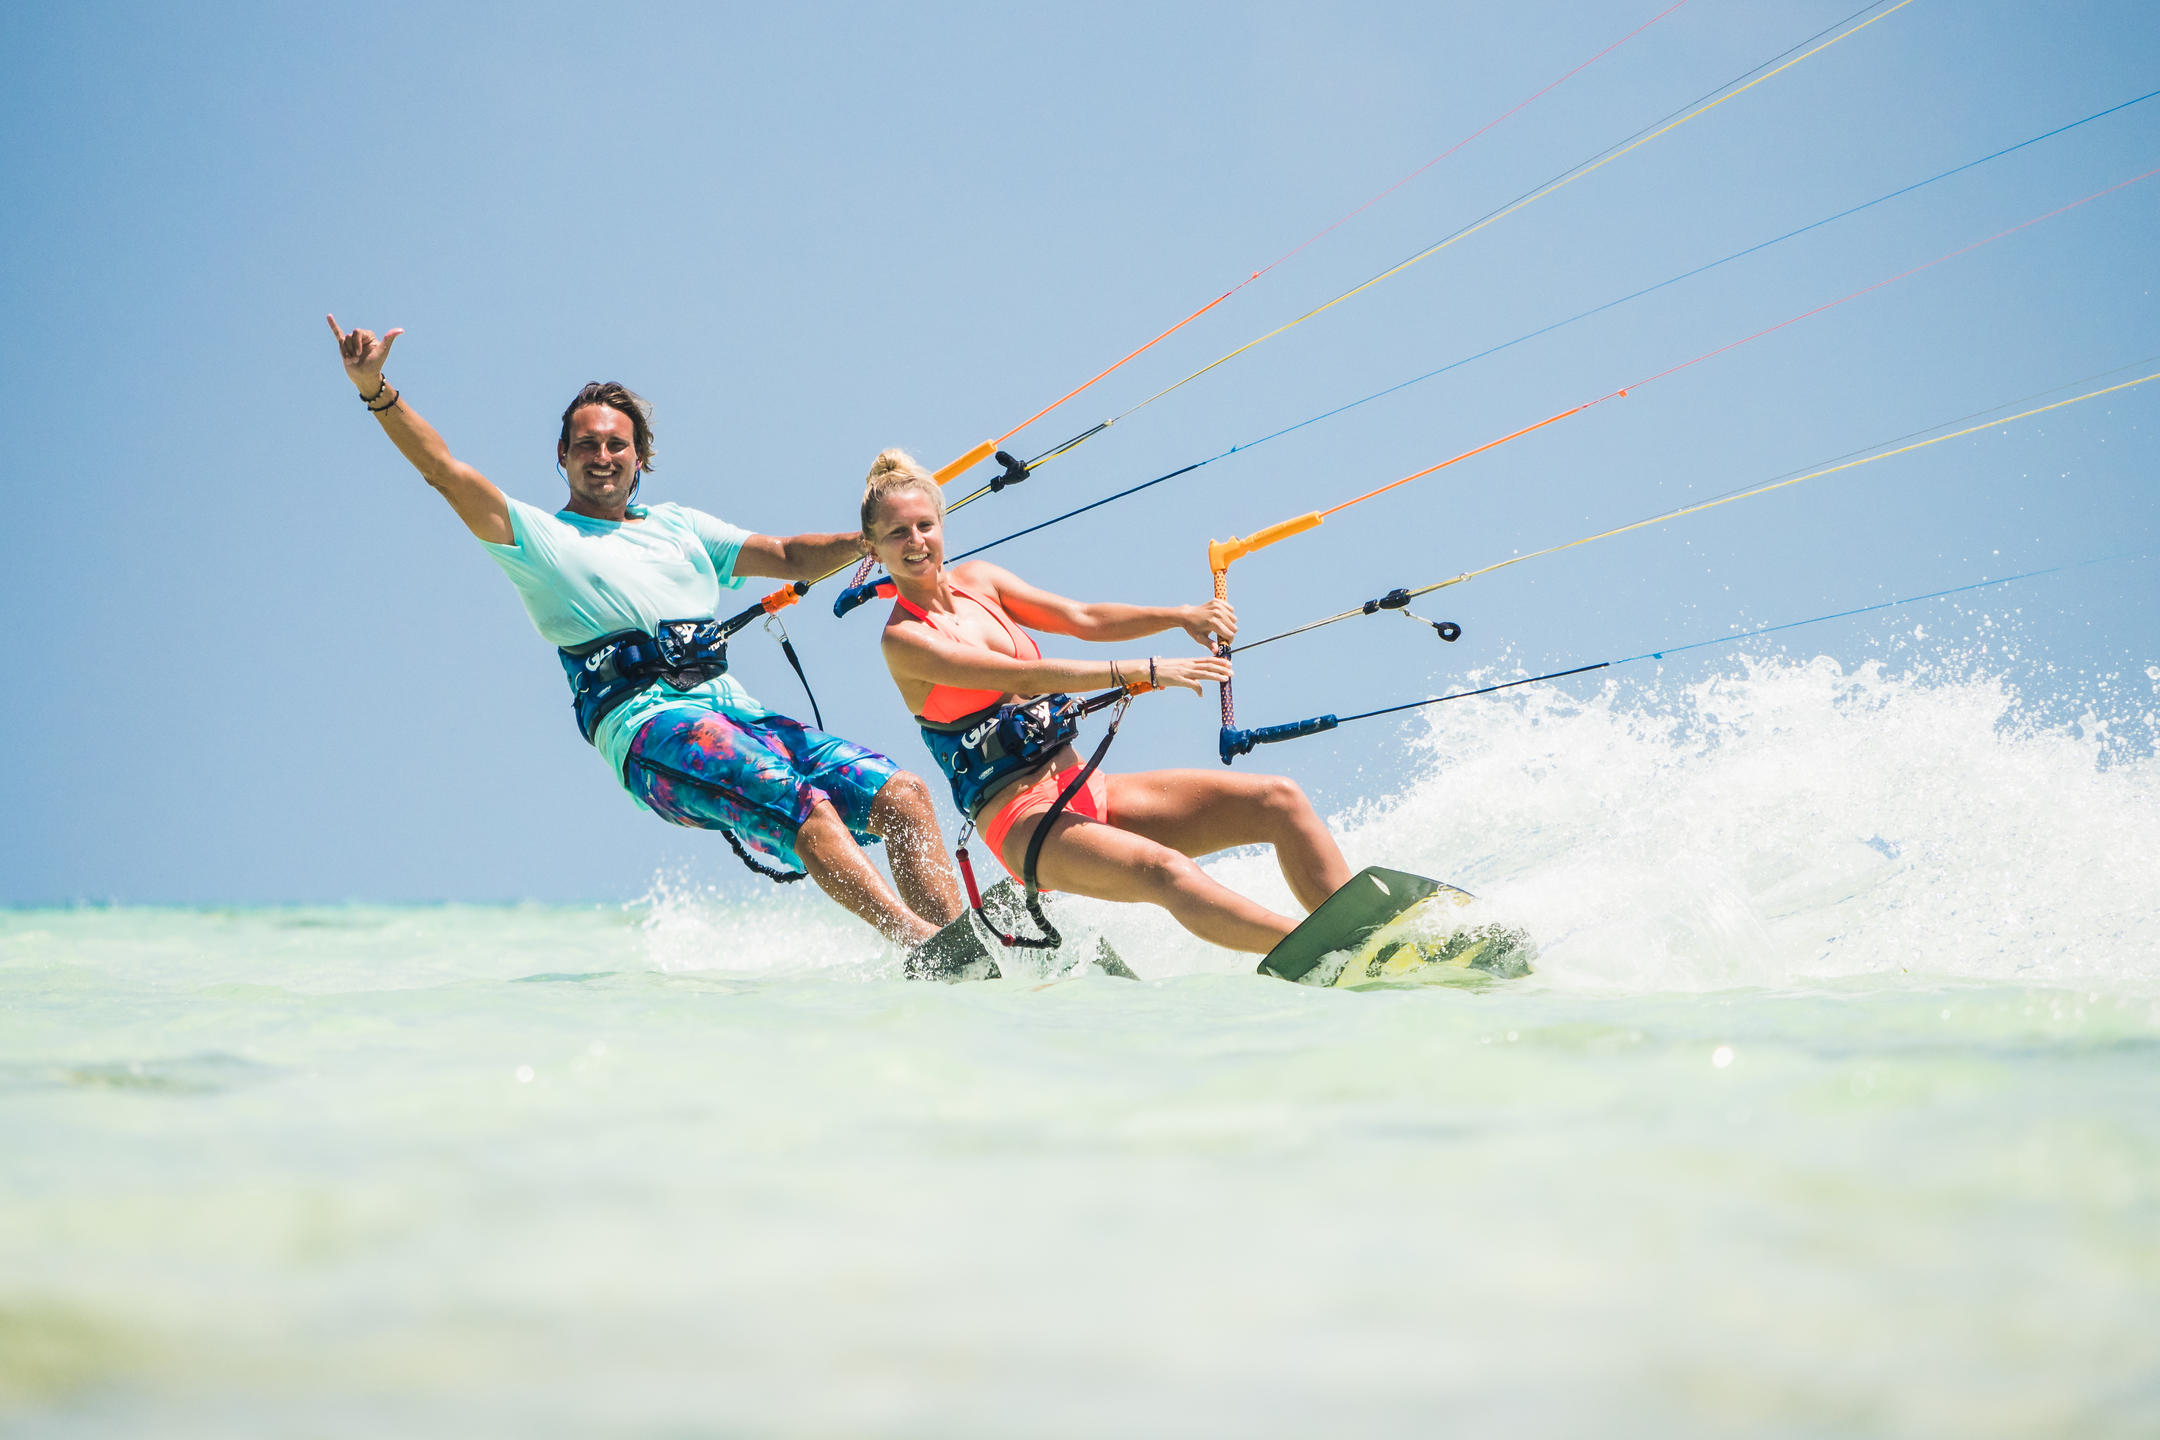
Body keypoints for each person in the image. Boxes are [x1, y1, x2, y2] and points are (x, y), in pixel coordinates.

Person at [326, 317, 970, 952]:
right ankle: (921, 946)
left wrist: (875, 541)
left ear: (641, 457)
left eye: (616, 445)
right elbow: (443, 471)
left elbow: (787, 553)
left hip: (735, 714)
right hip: (647, 728)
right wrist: (376, 389)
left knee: (904, 797)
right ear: (562, 455)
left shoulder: (679, 527)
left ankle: (964, 948)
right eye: (586, 445)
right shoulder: (537, 539)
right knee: (800, 803)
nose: (602, 457)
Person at [861, 449, 1353, 953]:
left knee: (1278, 800)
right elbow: (1021, 674)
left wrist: (1180, 615)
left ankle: (1362, 931)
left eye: (924, 525)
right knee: (1167, 872)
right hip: (1025, 822)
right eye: (898, 533)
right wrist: (1142, 669)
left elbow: (1083, 617)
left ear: (941, 525)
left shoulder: (981, 582)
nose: (916, 542)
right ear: (872, 548)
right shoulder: (903, 640)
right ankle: (1325, 951)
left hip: (1085, 785)